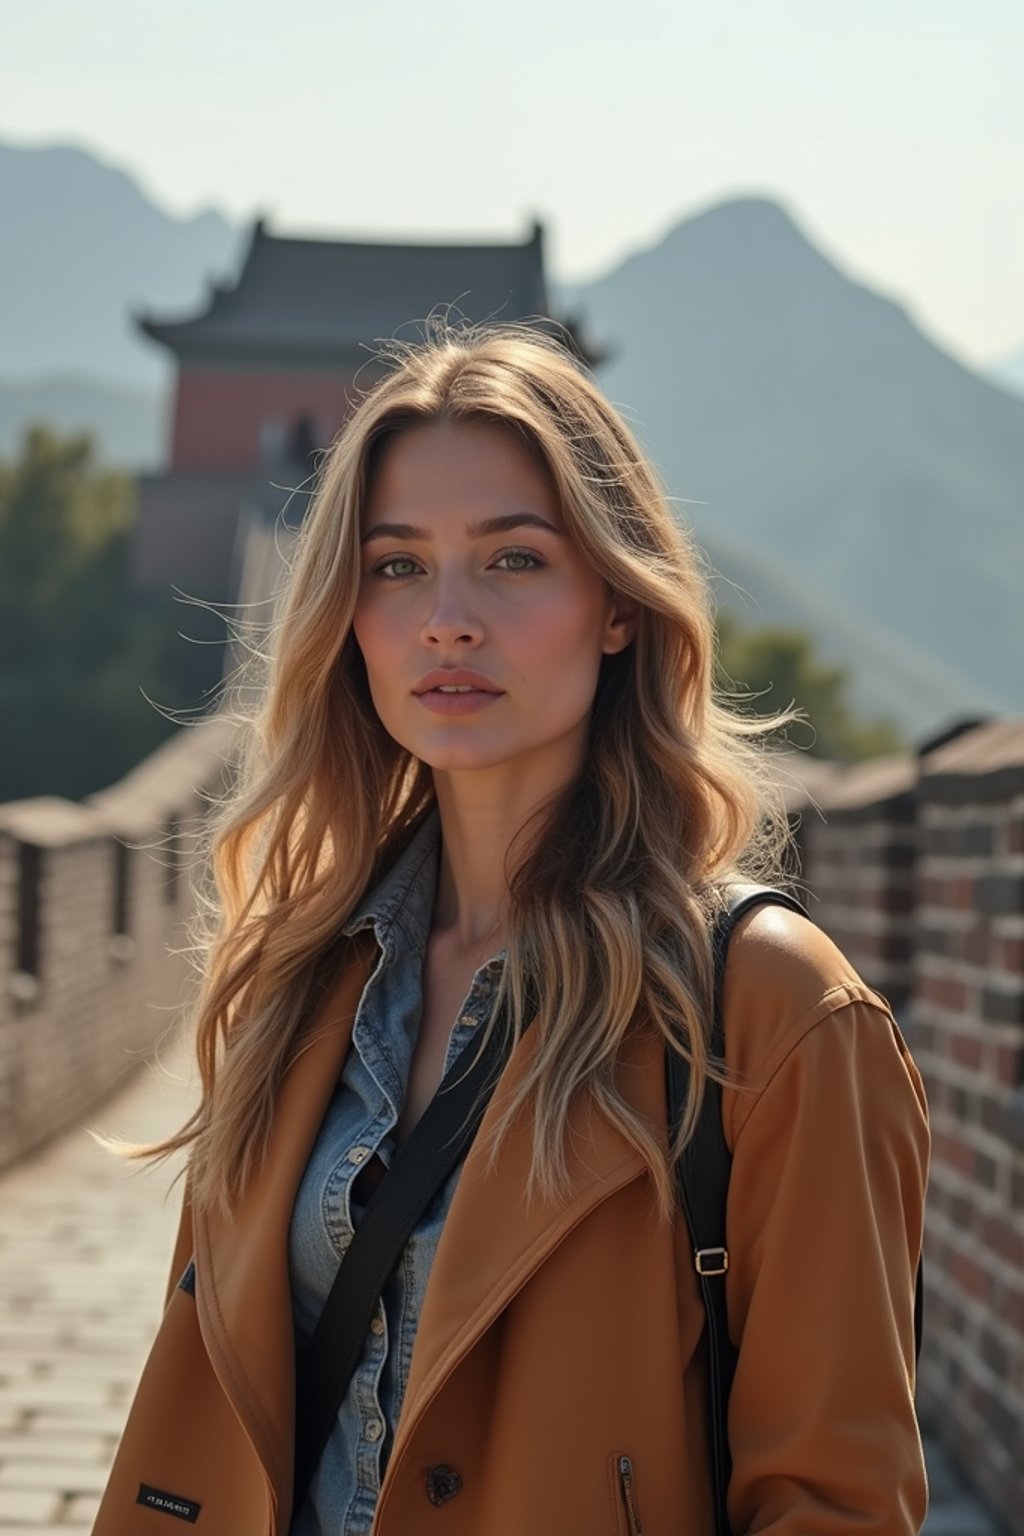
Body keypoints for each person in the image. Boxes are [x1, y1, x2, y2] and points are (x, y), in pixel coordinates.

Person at [92, 323, 929, 1536]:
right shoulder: (298, 979)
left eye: (515, 560)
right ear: (347, 615)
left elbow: (835, 1502)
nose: (446, 619)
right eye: (395, 567)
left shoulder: (767, 1013)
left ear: (618, 607)